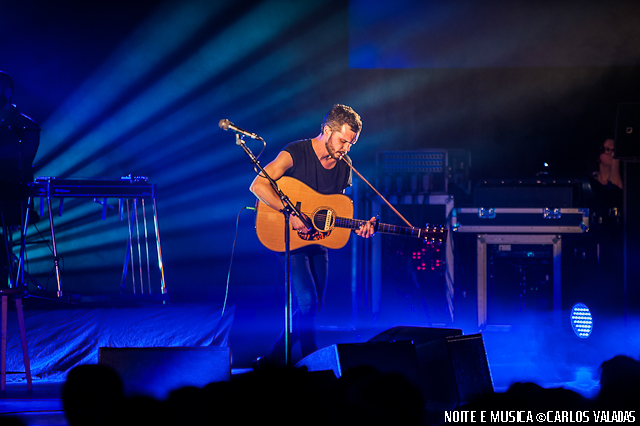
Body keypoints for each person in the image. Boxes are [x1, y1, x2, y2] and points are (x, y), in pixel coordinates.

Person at [250, 104, 375, 367]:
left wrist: (357, 226)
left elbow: (334, 210)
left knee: (314, 307)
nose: (346, 149)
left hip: (317, 243)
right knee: (308, 304)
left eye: (351, 143)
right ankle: (311, 363)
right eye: (343, 141)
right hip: (288, 240)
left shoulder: (344, 166)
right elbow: (258, 184)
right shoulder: (295, 152)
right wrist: (291, 214)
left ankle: (272, 359)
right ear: (327, 131)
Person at [0, 71, 40, 287]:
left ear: (7, 92)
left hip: (15, 198)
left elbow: (22, 164)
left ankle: (7, 285)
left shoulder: (26, 126)